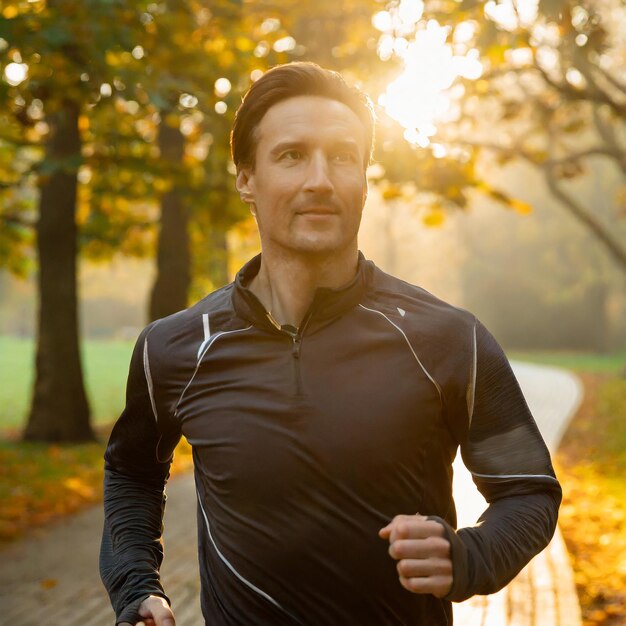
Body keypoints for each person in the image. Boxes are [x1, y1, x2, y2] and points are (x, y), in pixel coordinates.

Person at [100, 62, 561, 626]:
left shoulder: (448, 340)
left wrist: (471, 556)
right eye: (292, 155)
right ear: (246, 178)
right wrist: (135, 586)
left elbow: (530, 491)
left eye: (342, 157)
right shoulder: (172, 349)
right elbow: (132, 473)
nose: (320, 179)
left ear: (364, 179)